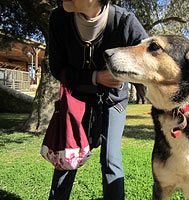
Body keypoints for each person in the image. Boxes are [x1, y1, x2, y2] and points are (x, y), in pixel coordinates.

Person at [48, 0, 147, 199]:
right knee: (68, 157)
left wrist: (125, 75)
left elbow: (150, 57)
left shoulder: (124, 21)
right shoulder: (58, 19)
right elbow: (57, 67)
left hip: (114, 102)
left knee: (111, 160)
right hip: (76, 101)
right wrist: (95, 77)